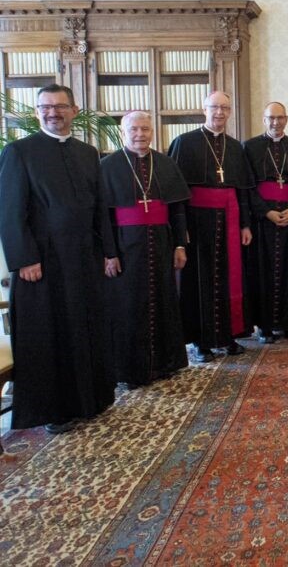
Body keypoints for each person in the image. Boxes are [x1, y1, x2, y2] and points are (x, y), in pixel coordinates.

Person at [0, 84, 118, 433]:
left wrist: (108, 252)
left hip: (84, 257)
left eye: (60, 106)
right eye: (45, 107)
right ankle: (55, 411)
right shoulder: (19, 152)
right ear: (37, 113)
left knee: (85, 328)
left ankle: (91, 400)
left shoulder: (88, 152)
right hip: (44, 264)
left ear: (74, 110)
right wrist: (24, 260)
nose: (52, 112)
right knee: (51, 333)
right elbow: (10, 212)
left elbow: (101, 209)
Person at [101, 111, 190, 387]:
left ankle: (166, 363)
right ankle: (130, 371)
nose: (140, 134)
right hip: (126, 246)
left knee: (164, 300)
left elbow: (177, 209)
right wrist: (109, 253)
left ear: (153, 132)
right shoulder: (107, 166)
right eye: (134, 129)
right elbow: (102, 216)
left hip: (162, 243)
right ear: (123, 132)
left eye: (145, 129)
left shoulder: (164, 163)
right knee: (128, 306)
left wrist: (179, 245)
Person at [169, 91, 255, 362]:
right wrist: (180, 230)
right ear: (204, 109)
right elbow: (177, 193)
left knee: (229, 279)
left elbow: (242, 191)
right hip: (197, 222)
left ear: (230, 112)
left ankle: (227, 336)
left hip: (229, 220)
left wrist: (245, 225)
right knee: (198, 280)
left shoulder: (235, 146)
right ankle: (200, 342)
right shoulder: (184, 142)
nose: (219, 113)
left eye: (225, 108)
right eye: (215, 107)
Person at [243, 102, 288, 343]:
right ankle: (264, 326)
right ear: (264, 120)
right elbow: (247, 187)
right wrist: (266, 212)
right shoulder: (250, 148)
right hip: (263, 222)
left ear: (287, 119)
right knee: (262, 272)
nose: (276, 122)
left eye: (280, 118)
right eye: (271, 118)